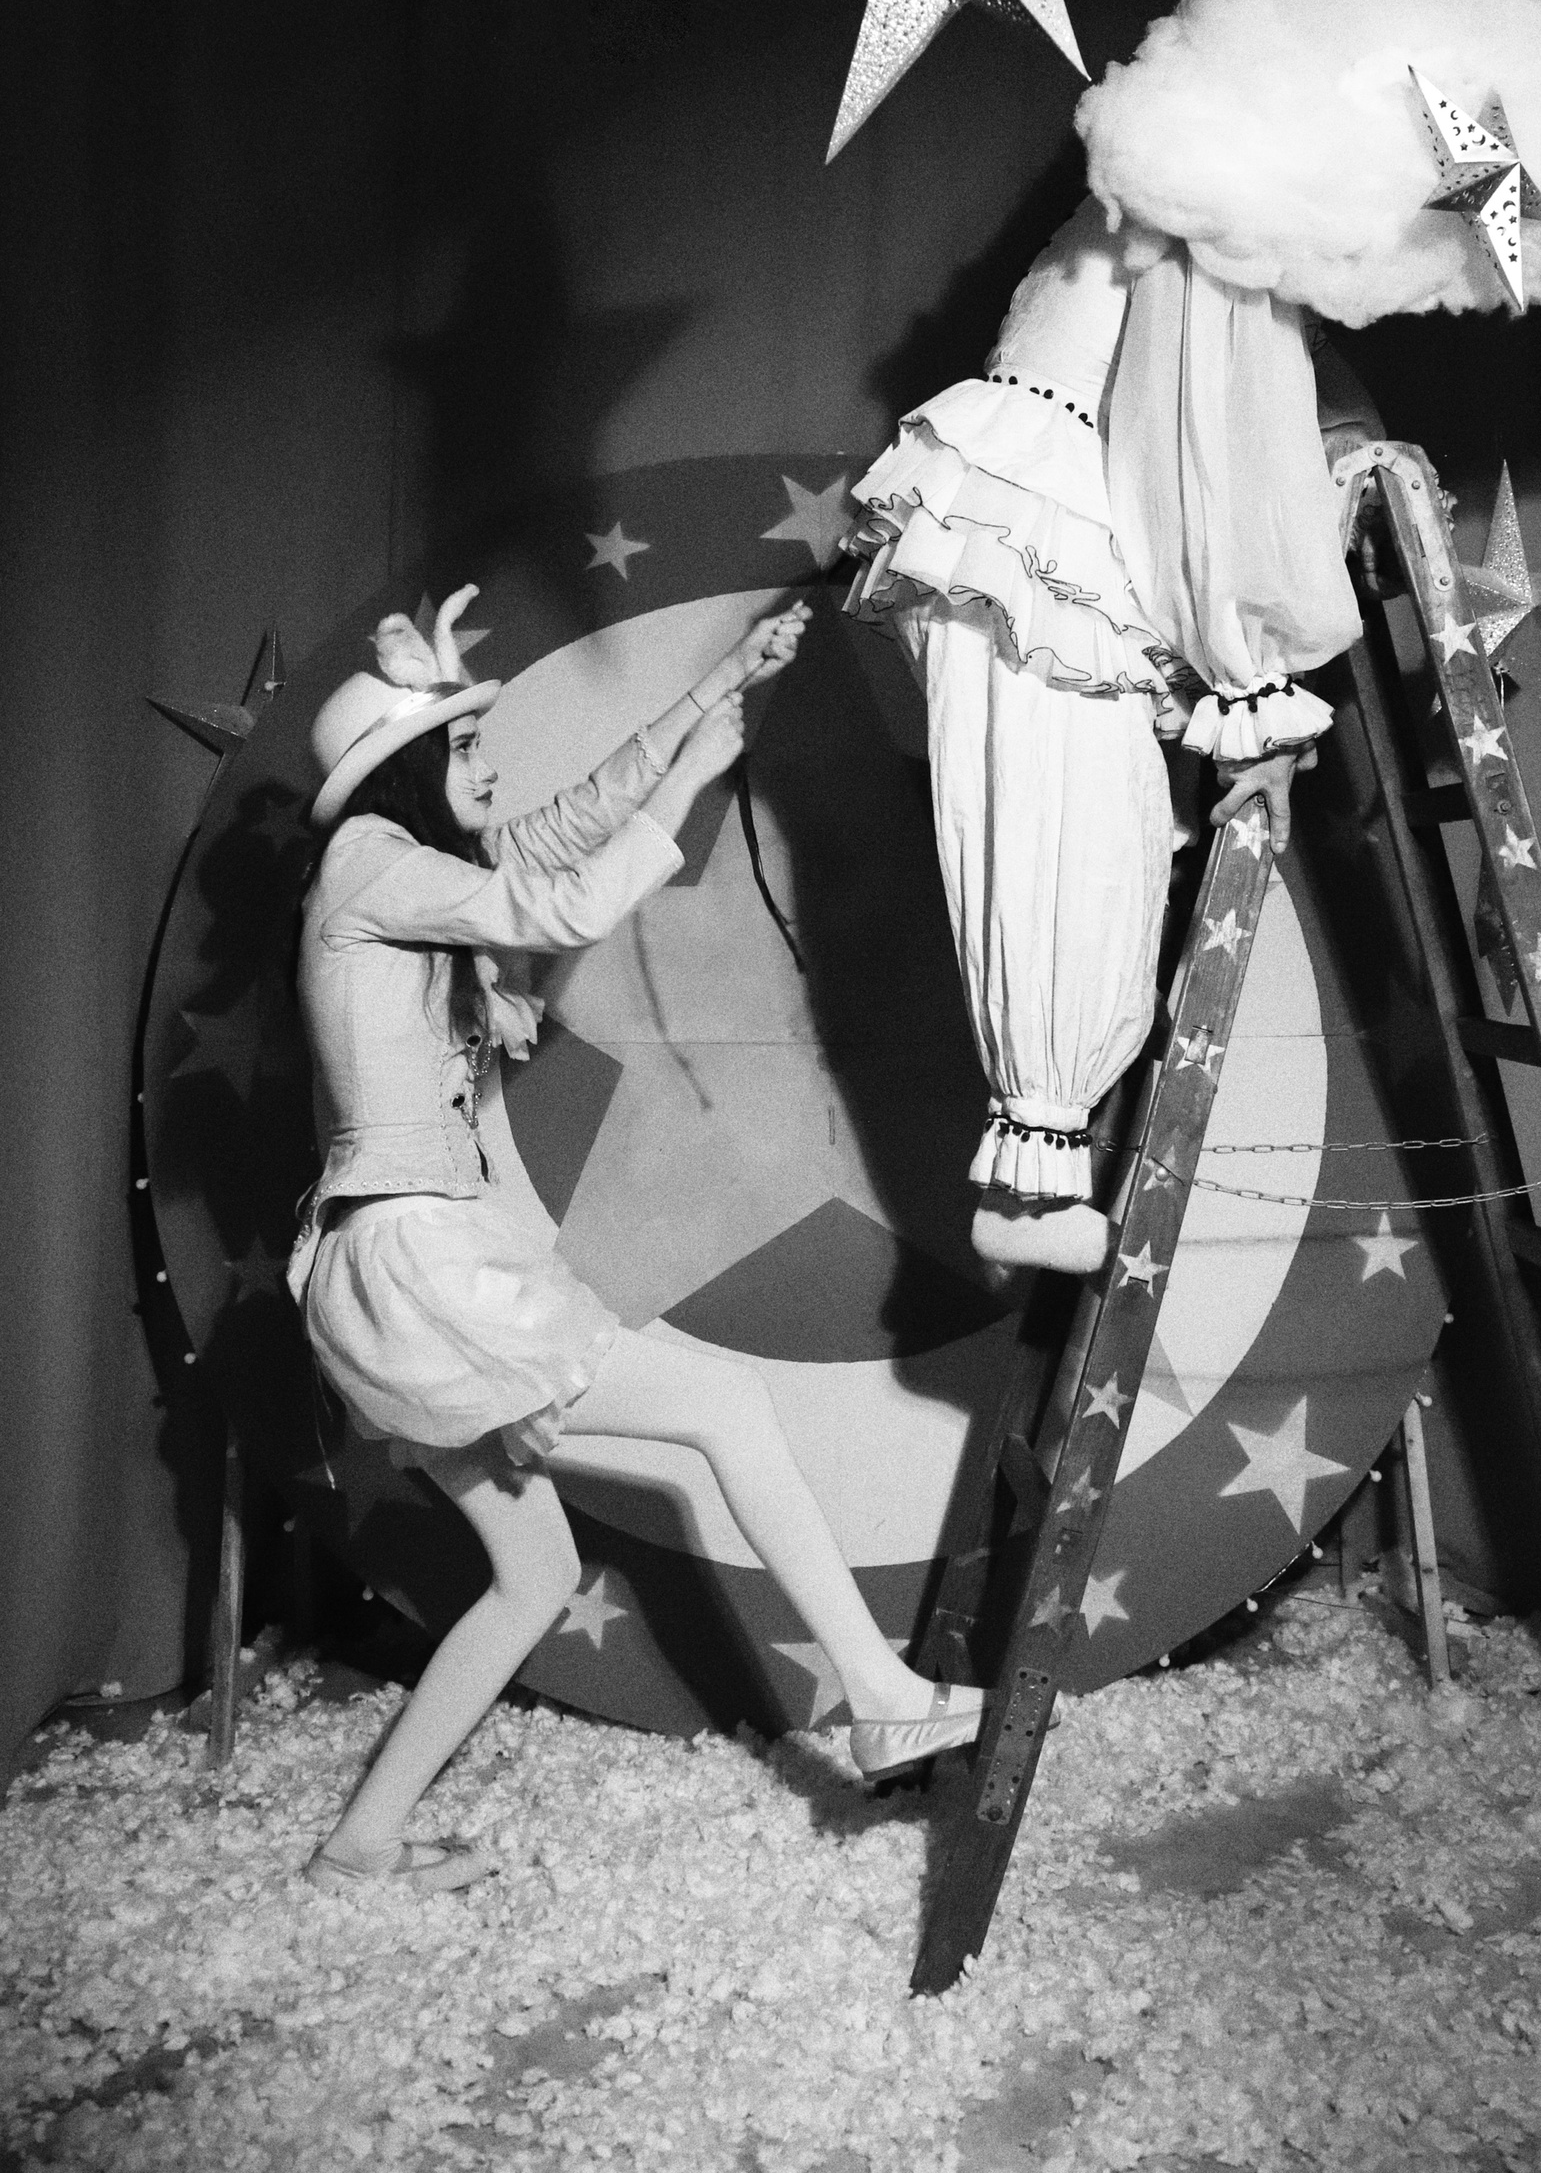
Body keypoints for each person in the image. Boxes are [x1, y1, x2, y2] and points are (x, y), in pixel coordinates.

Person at [289, 588, 981, 1891]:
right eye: (464, 743)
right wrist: (689, 774)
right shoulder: (366, 861)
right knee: (727, 1407)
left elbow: (568, 827)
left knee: (531, 1574)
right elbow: (558, 904)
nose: (489, 761)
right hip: (415, 1268)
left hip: (413, 1264)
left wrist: (716, 696)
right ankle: (884, 1697)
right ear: (404, 767)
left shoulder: (413, 871)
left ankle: (359, 1847)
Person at [845, 197, 1381, 1273]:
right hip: (1042, 529)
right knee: (1066, 841)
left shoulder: (1171, 201)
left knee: (1083, 832)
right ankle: (1033, 1178)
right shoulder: (1220, 216)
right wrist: (1255, 691)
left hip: (1021, 519)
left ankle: (1042, 1146)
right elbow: (1211, 470)